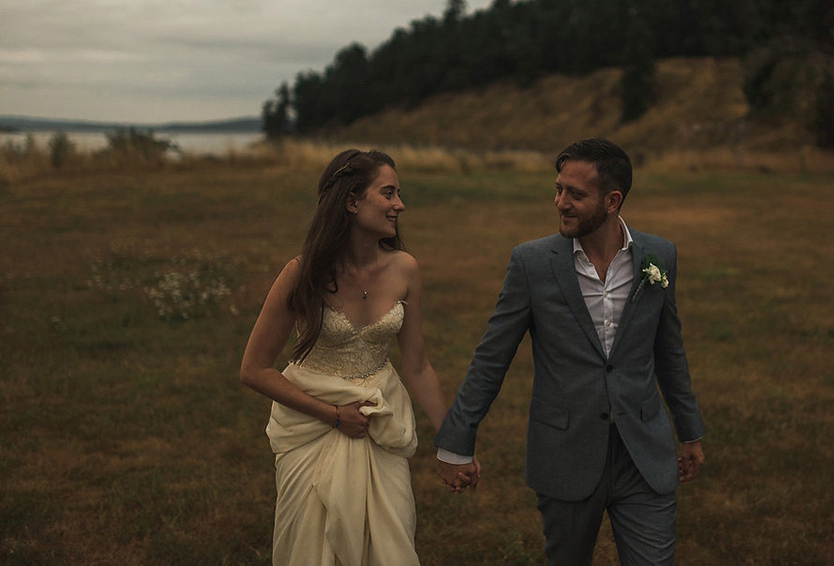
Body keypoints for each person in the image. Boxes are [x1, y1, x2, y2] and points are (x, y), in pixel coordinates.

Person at [435, 138, 705, 565]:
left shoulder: (659, 256)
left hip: (643, 453)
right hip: (565, 453)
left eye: (575, 194)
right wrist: (456, 443)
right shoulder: (532, 263)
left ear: (612, 200)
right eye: (559, 189)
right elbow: (491, 358)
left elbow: (669, 350)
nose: (560, 202)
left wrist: (689, 430)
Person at [240, 149, 475, 566]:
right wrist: (331, 414)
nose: (399, 204)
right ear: (351, 201)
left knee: (391, 548)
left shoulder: (405, 269)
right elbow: (254, 369)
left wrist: (453, 443)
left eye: (399, 193)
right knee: (312, 551)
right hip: (311, 429)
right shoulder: (302, 273)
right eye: (388, 193)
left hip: (381, 425)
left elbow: (418, 366)